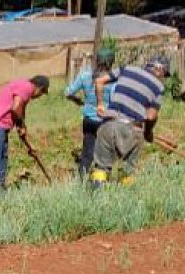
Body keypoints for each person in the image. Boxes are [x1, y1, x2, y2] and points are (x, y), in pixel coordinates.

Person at [89, 55, 169, 187]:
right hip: (134, 130)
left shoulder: (127, 69)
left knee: (101, 168)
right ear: (161, 70)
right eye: (165, 74)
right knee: (126, 172)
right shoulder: (159, 87)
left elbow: (99, 81)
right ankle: (125, 200)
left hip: (110, 124)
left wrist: (100, 104)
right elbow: (151, 116)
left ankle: (96, 199)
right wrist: (148, 133)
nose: (163, 78)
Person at [0, 75, 50, 203]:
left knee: (2, 161)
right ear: (39, 88)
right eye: (42, 93)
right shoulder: (26, 87)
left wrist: (21, 126)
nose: (39, 97)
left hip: (1, 128)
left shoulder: (23, 90)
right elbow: (16, 108)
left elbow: (19, 110)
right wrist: (21, 124)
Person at [64, 50, 117, 179]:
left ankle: (82, 178)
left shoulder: (85, 76)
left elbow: (68, 92)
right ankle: (101, 181)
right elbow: (115, 100)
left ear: (97, 61)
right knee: (106, 152)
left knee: (87, 151)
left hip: (88, 119)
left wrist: (78, 101)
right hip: (105, 120)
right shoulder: (113, 80)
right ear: (111, 62)